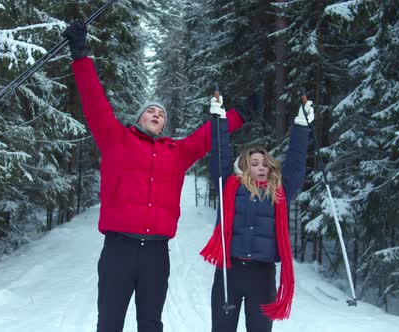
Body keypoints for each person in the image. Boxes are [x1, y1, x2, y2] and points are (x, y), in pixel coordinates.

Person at [63, 20, 259, 332]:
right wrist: (81, 54)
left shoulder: (176, 152)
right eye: (151, 111)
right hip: (118, 250)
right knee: (109, 322)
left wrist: (240, 114)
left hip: (156, 253)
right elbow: (94, 101)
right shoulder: (115, 139)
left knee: (151, 324)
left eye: (162, 114)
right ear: (138, 118)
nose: (157, 114)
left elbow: (208, 135)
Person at [200, 95, 314, 331]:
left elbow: (295, 165)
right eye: (254, 163)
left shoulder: (279, 193)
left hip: (262, 276)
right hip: (228, 273)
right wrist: (220, 122)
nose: (261, 166)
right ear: (243, 167)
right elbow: (220, 155)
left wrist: (302, 126)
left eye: (265, 163)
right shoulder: (229, 186)